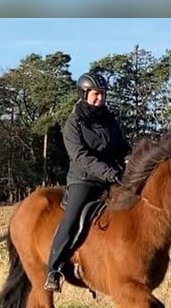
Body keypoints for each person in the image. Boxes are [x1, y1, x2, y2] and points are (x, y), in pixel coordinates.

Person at [43, 72, 130, 292]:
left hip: (113, 178)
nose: (100, 98)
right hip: (85, 180)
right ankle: (54, 269)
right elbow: (81, 156)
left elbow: (122, 147)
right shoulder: (73, 123)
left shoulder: (109, 119)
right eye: (95, 94)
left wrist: (131, 159)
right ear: (84, 94)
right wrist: (110, 173)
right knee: (71, 219)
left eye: (102, 94)